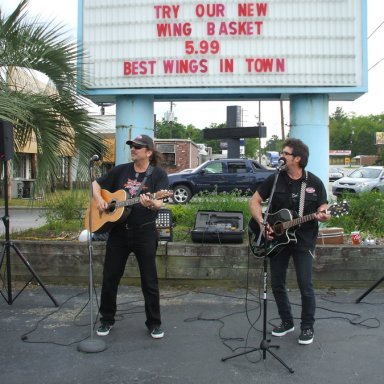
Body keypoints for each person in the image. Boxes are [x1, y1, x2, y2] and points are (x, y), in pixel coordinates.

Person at [249, 138, 330, 345]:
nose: (281, 156)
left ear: (297, 159)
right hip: (277, 239)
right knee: (277, 283)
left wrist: (322, 214)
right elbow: (255, 201)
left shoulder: (313, 182)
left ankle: (307, 326)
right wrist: (261, 223)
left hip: (303, 239)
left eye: (285, 153)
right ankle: (287, 321)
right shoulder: (276, 179)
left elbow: (323, 207)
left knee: (305, 284)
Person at [92, 134, 169, 339]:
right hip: (118, 233)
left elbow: (161, 202)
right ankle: (106, 320)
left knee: (149, 281)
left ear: (149, 152)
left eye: (137, 147)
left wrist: (153, 203)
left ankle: (154, 323)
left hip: (145, 232)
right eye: (132, 146)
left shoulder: (158, 174)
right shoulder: (121, 170)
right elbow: (95, 184)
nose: (133, 149)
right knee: (110, 278)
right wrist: (100, 200)